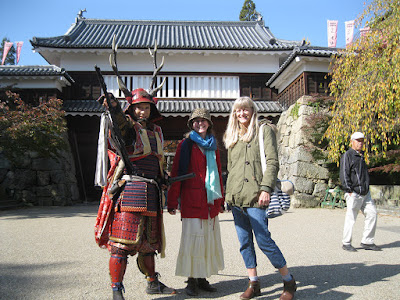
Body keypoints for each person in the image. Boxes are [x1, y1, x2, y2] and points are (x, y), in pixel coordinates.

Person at [94, 89, 176, 300]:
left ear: (152, 109)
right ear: (131, 108)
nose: (143, 111)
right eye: (139, 107)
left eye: (146, 107)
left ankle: (152, 283)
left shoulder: (156, 131)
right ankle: (116, 290)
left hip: (151, 193)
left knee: (149, 245)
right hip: (131, 191)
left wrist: (162, 177)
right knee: (121, 245)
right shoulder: (129, 128)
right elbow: (121, 127)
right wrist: (114, 108)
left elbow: (156, 160)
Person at [223, 97, 296, 300]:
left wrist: (266, 189)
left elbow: (272, 162)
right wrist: (228, 196)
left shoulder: (263, 130)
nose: (242, 114)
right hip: (237, 198)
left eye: (245, 109)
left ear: (252, 111)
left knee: (264, 240)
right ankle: (253, 283)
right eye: (238, 111)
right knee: (244, 242)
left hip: (257, 196)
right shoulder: (231, 135)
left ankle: (289, 281)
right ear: (234, 114)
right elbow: (231, 169)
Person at [167, 108, 225, 296]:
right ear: (191, 124)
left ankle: (202, 277)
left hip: (209, 200)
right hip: (192, 200)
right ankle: (191, 279)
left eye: (203, 121)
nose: (200, 124)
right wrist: (172, 201)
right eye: (196, 121)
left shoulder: (213, 145)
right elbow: (177, 173)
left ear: (209, 124)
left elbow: (218, 173)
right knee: (192, 240)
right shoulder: (185, 145)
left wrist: (221, 199)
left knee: (207, 239)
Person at [340, 132, 381, 252]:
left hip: (365, 192)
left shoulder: (361, 156)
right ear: (351, 141)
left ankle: (367, 241)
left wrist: (366, 187)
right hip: (354, 192)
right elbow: (344, 173)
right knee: (351, 218)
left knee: (372, 214)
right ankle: (346, 242)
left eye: (362, 140)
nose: (360, 143)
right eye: (358, 140)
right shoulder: (347, 155)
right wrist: (349, 190)